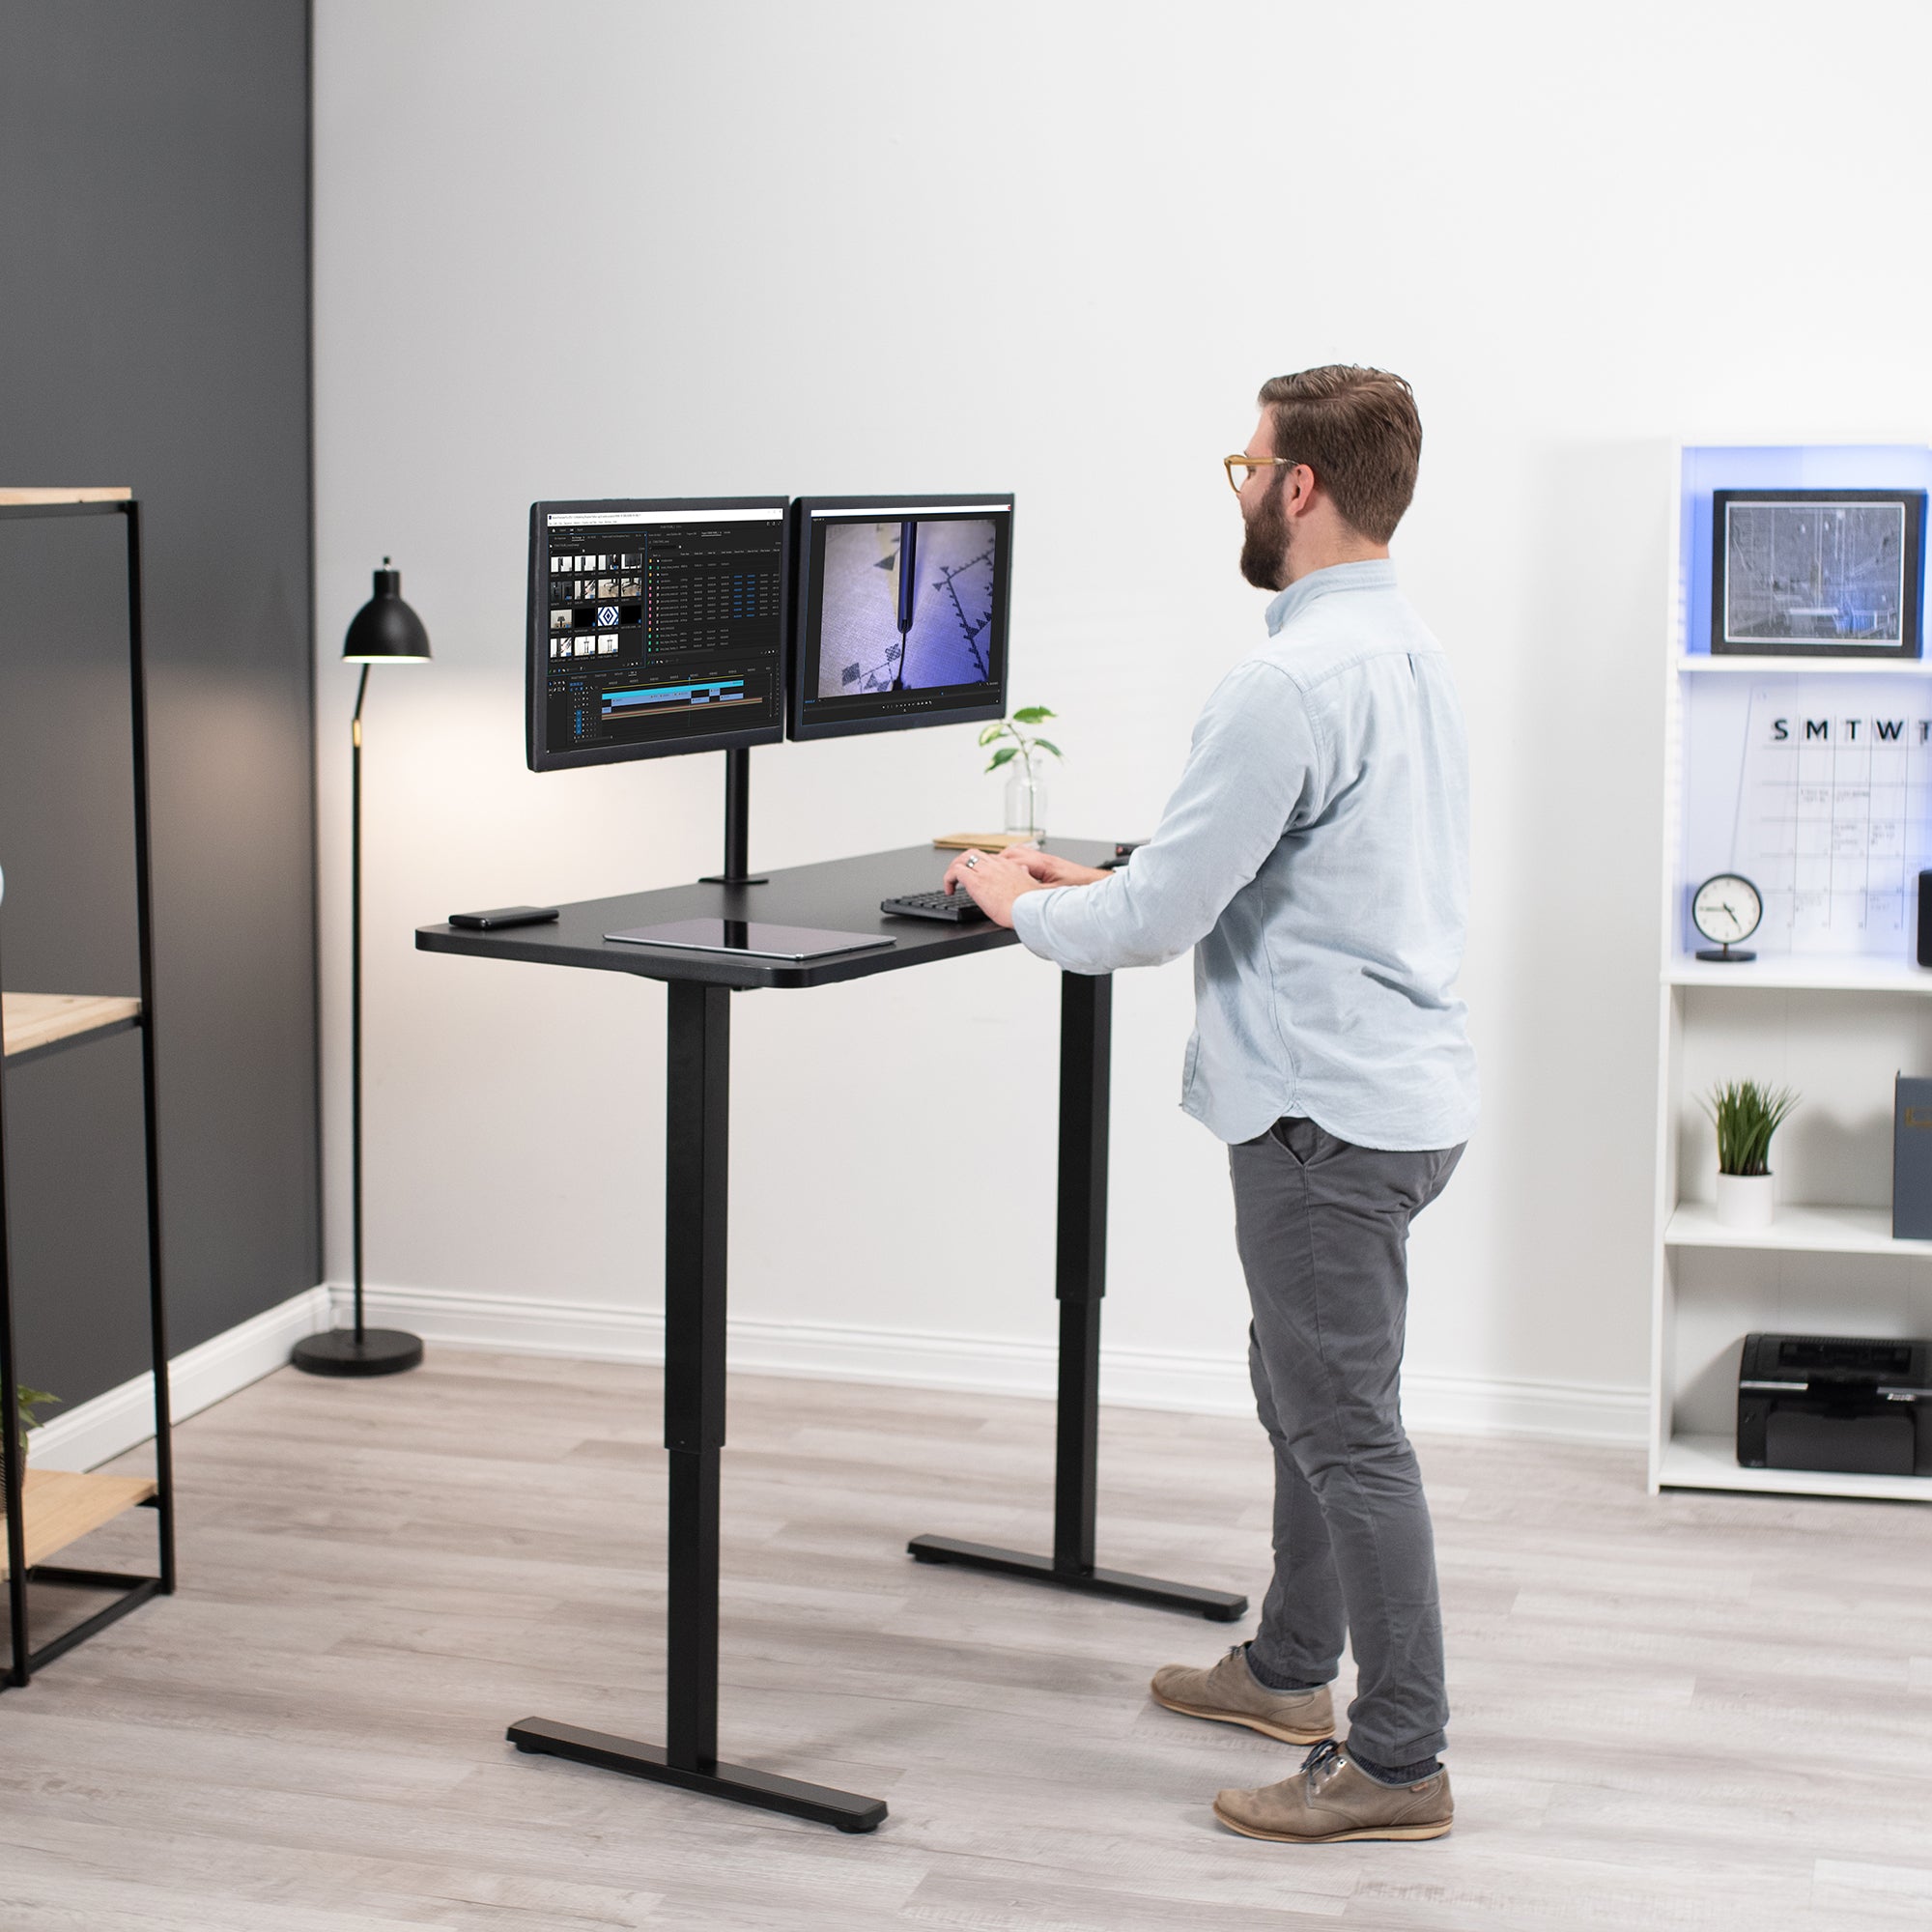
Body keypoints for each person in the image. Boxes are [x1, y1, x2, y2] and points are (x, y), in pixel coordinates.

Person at [942, 365, 1478, 1845]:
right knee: (1301, 1393)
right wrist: (1098, 878)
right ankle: (1293, 1668)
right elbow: (1268, 867)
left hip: (1322, 1114)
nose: (1239, 485)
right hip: (1401, 1096)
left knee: (1345, 1428)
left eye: (1246, 465)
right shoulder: (1405, 650)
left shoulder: (1284, 680)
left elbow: (1158, 922)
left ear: (1299, 487)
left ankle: (1401, 1761)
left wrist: (1013, 900)